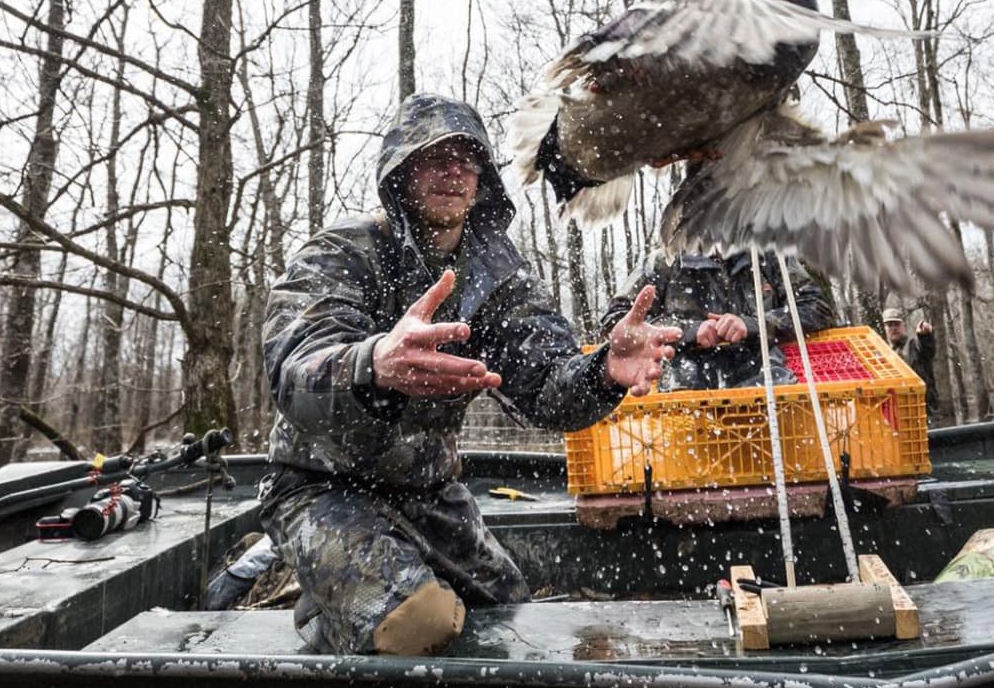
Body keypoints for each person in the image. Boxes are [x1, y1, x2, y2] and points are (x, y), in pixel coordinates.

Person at [257, 94, 679, 656]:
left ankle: (372, 586)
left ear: (483, 178)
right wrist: (375, 363)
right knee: (419, 624)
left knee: (508, 618)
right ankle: (326, 611)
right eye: (433, 156)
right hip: (318, 486)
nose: (452, 171)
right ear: (401, 170)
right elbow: (292, 369)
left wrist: (604, 371)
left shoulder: (497, 277)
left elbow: (548, 389)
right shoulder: (343, 251)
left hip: (428, 490)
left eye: (466, 158)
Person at [601, 248, 833, 391]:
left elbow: (817, 308)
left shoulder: (769, 256)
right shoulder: (665, 261)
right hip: (683, 392)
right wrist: (687, 331)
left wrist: (752, 325)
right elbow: (616, 321)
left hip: (767, 386)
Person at [881, 309, 937, 413]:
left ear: (904, 326)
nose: (893, 328)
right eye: (889, 325)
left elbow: (927, 349)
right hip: (897, 411)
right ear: (885, 329)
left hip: (923, 408)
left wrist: (925, 336)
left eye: (897, 324)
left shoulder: (914, 346)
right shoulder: (884, 354)